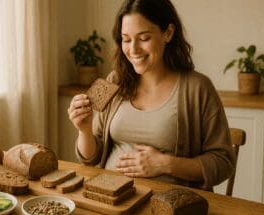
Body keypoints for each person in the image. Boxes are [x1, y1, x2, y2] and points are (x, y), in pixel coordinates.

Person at [67, 0, 234, 191]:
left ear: (168, 33)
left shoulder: (197, 88)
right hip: (110, 200)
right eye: (126, 39)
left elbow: (224, 162)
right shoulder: (115, 82)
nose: (133, 50)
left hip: (170, 210)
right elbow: (91, 158)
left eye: (144, 38)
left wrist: (165, 164)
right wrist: (84, 129)